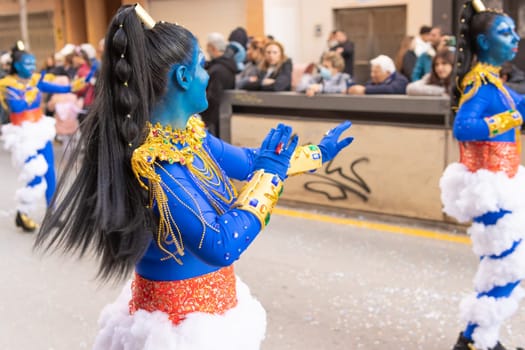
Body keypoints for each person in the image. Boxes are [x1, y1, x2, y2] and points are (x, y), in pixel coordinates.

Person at [34, 4, 353, 349]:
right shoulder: (154, 166)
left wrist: (317, 154)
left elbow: (250, 162)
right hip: (179, 335)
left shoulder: (187, 136)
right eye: (201, 65)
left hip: (211, 318)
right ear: (183, 78)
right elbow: (222, 244)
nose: (208, 75)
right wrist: (269, 179)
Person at [439, 1, 525, 349]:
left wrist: (515, 110)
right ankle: (475, 340)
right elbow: (464, 127)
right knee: (509, 266)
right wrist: (509, 119)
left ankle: (476, 339)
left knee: (501, 265)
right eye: (505, 33)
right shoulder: (481, 84)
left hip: (500, 183)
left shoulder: (494, 84)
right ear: (485, 43)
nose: (516, 37)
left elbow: (517, 104)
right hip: (489, 186)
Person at [0, 41, 86, 232]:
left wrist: (75, 85)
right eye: (27, 64)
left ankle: (52, 213)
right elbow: (16, 107)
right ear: (16, 65)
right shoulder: (6, 84)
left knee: (50, 173)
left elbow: (59, 89)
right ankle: (22, 214)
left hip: (40, 129)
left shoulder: (35, 80)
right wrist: (28, 93)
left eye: (33, 63)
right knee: (35, 175)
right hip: (22, 134)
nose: (31, 67)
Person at [201, 32, 237, 137]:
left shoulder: (217, 70)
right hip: (223, 115)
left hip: (214, 119)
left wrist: (204, 119)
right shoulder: (228, 65)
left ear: (212, 47)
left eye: (207, 47)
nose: (206, 50)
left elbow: (213, 97)